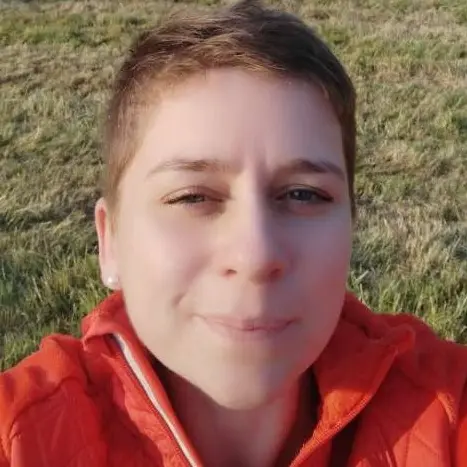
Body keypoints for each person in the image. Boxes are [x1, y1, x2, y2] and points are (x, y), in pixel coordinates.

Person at [0, 1, 466, 466]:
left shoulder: (447, 407)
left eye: (303, 194)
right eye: (192, 197)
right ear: (110, 243)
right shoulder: (21, 436)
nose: (255, 254)